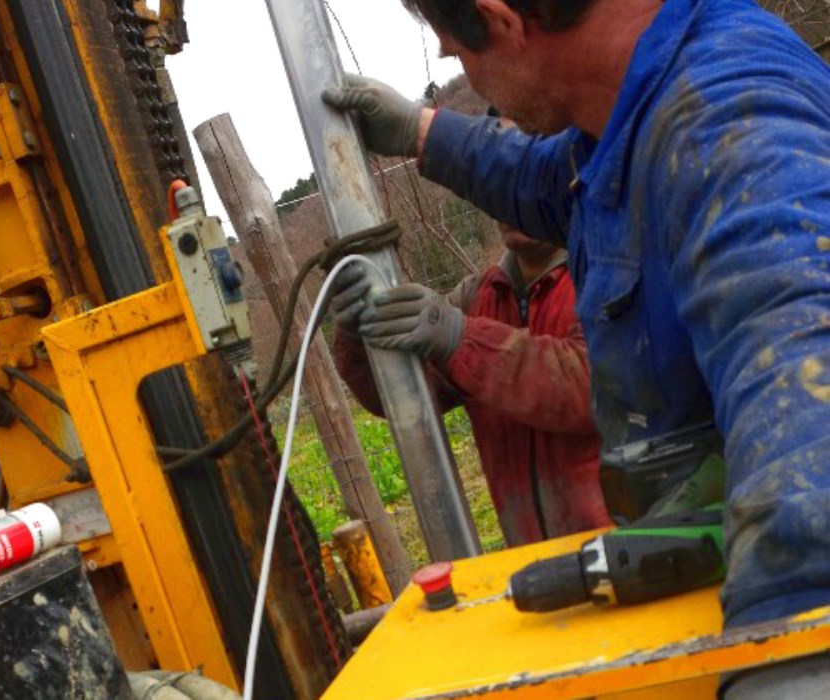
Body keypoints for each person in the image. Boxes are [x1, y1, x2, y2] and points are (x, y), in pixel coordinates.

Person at [323, 0, 830, 693]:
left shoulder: (727, 122)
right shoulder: (630, 123)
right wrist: (422, 130)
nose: (463, 73)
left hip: (772, 604)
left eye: (457, 51)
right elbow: (540, 176)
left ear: (500, 20)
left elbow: (808, 394)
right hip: (690, 560)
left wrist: (791, 651)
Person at [332, 220, 610, 547]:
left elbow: (592, 387)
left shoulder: (606, 277)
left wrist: (460, 337)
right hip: (533, 561)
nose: (511, 204)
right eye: (504, 185)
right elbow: (405, 395)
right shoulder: (479, 296)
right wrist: (359, 338)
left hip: (633, 551)